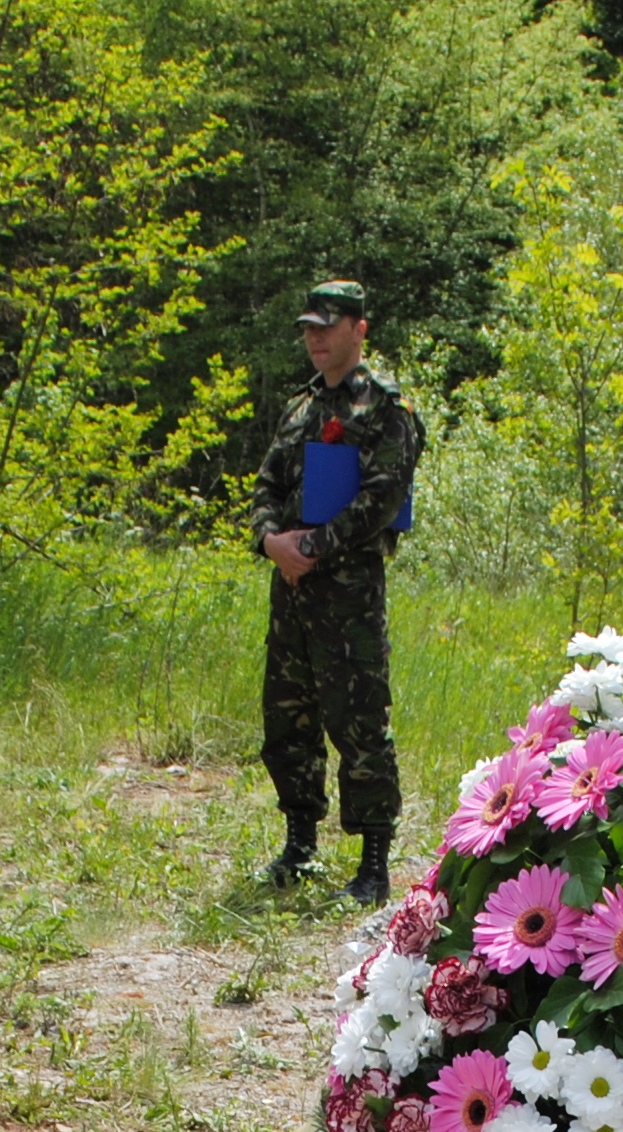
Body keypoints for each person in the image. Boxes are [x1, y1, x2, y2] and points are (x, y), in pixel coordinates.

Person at [251, 280, 424, 904]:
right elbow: (267, 486)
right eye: (308, 327)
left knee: (359, 723)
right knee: (288, 717)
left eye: (328, 326)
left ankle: (373, 862)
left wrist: (313, 549)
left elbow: (383, 497)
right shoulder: (299, 408)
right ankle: (299, 843)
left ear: (360, 329)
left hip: (348, 594)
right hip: (291, 589)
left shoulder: (384, 410)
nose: (315, 338)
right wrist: (273, 542)